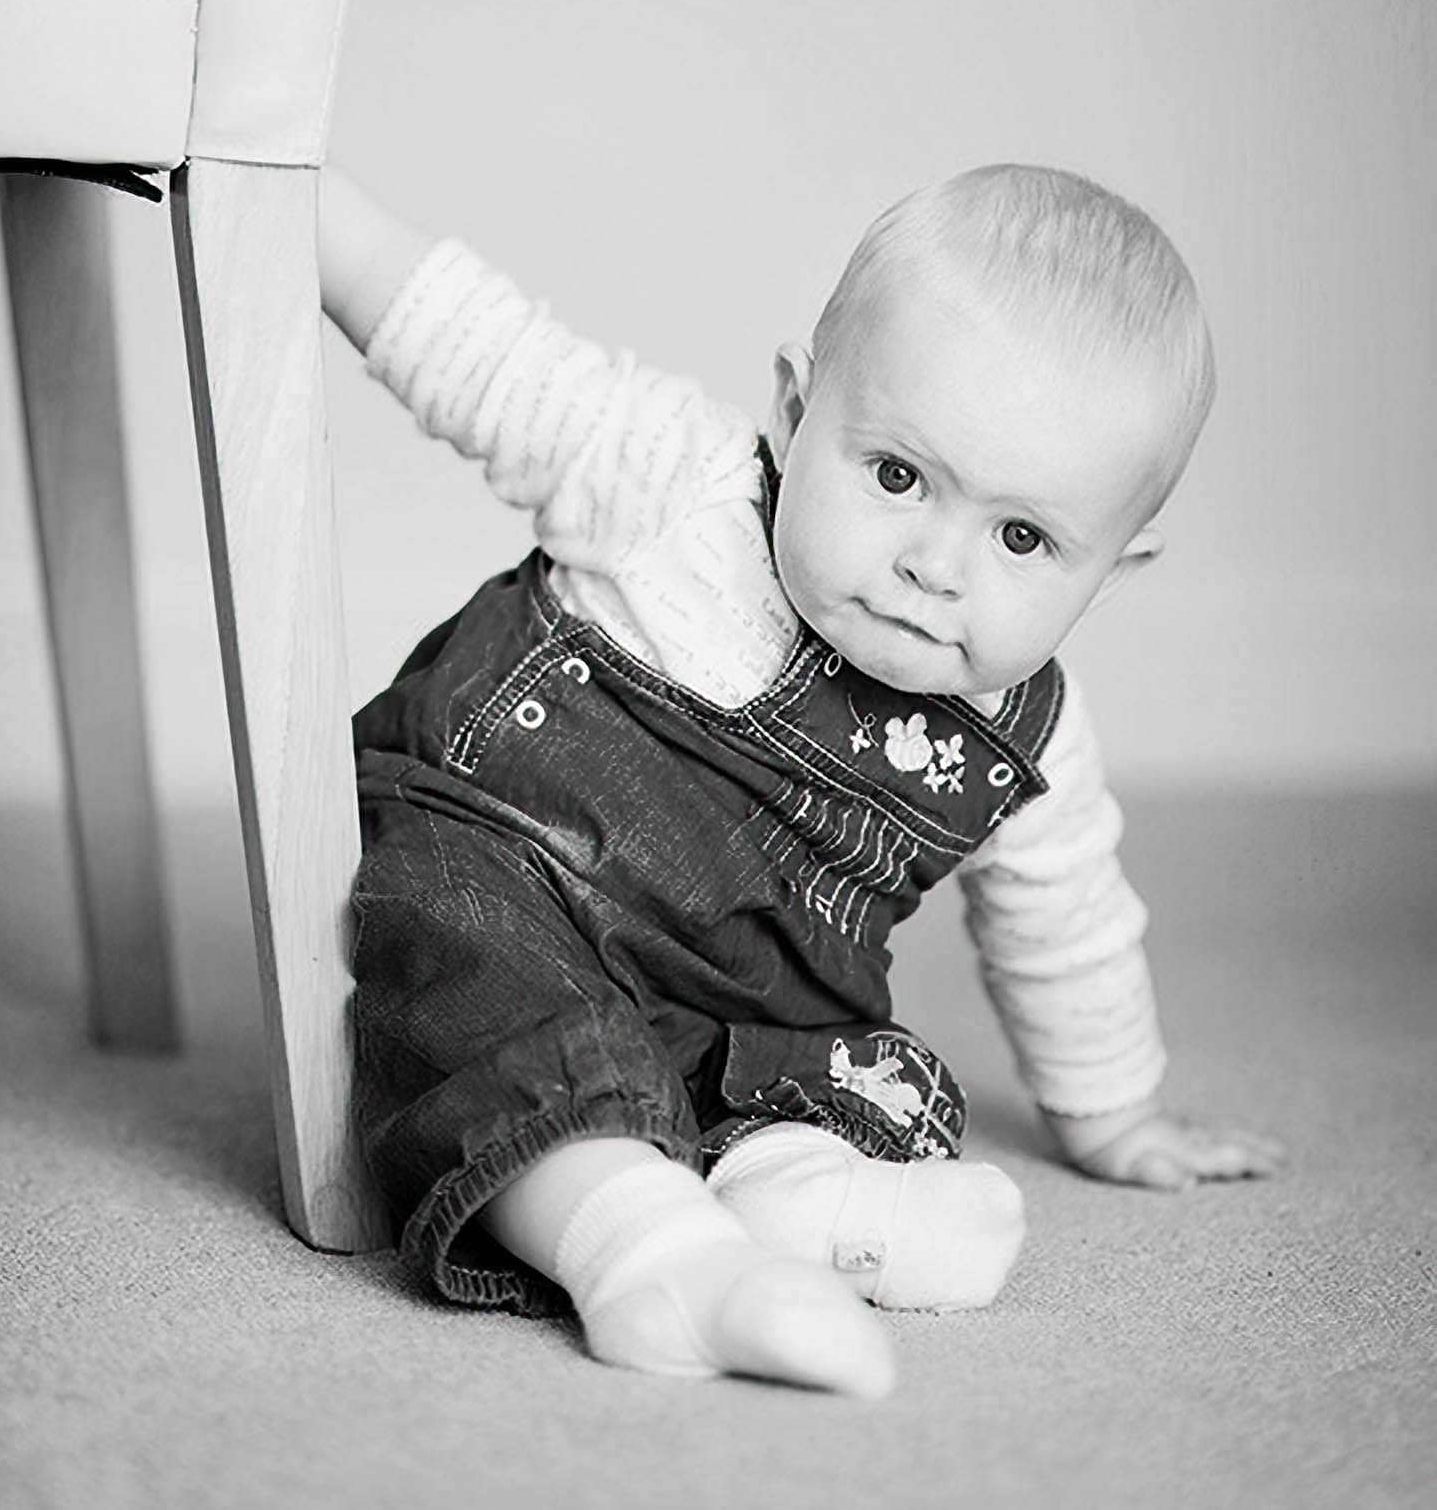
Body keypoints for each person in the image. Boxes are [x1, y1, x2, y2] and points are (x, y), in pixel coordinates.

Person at [320, 162, 1284, 1399]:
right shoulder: (674, 482)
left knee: (875, 1083)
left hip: (737, 1014)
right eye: (896, 476)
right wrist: (312, 213)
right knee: (471, 971)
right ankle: (644, 1253)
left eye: (1022, 538)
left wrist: (1112, 1116)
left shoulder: (1031, 740)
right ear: (793, 408)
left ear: (1108, 573)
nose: (934, 564)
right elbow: (480, 352)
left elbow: (1067, 924)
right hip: (502, 866)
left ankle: (781, 1205)